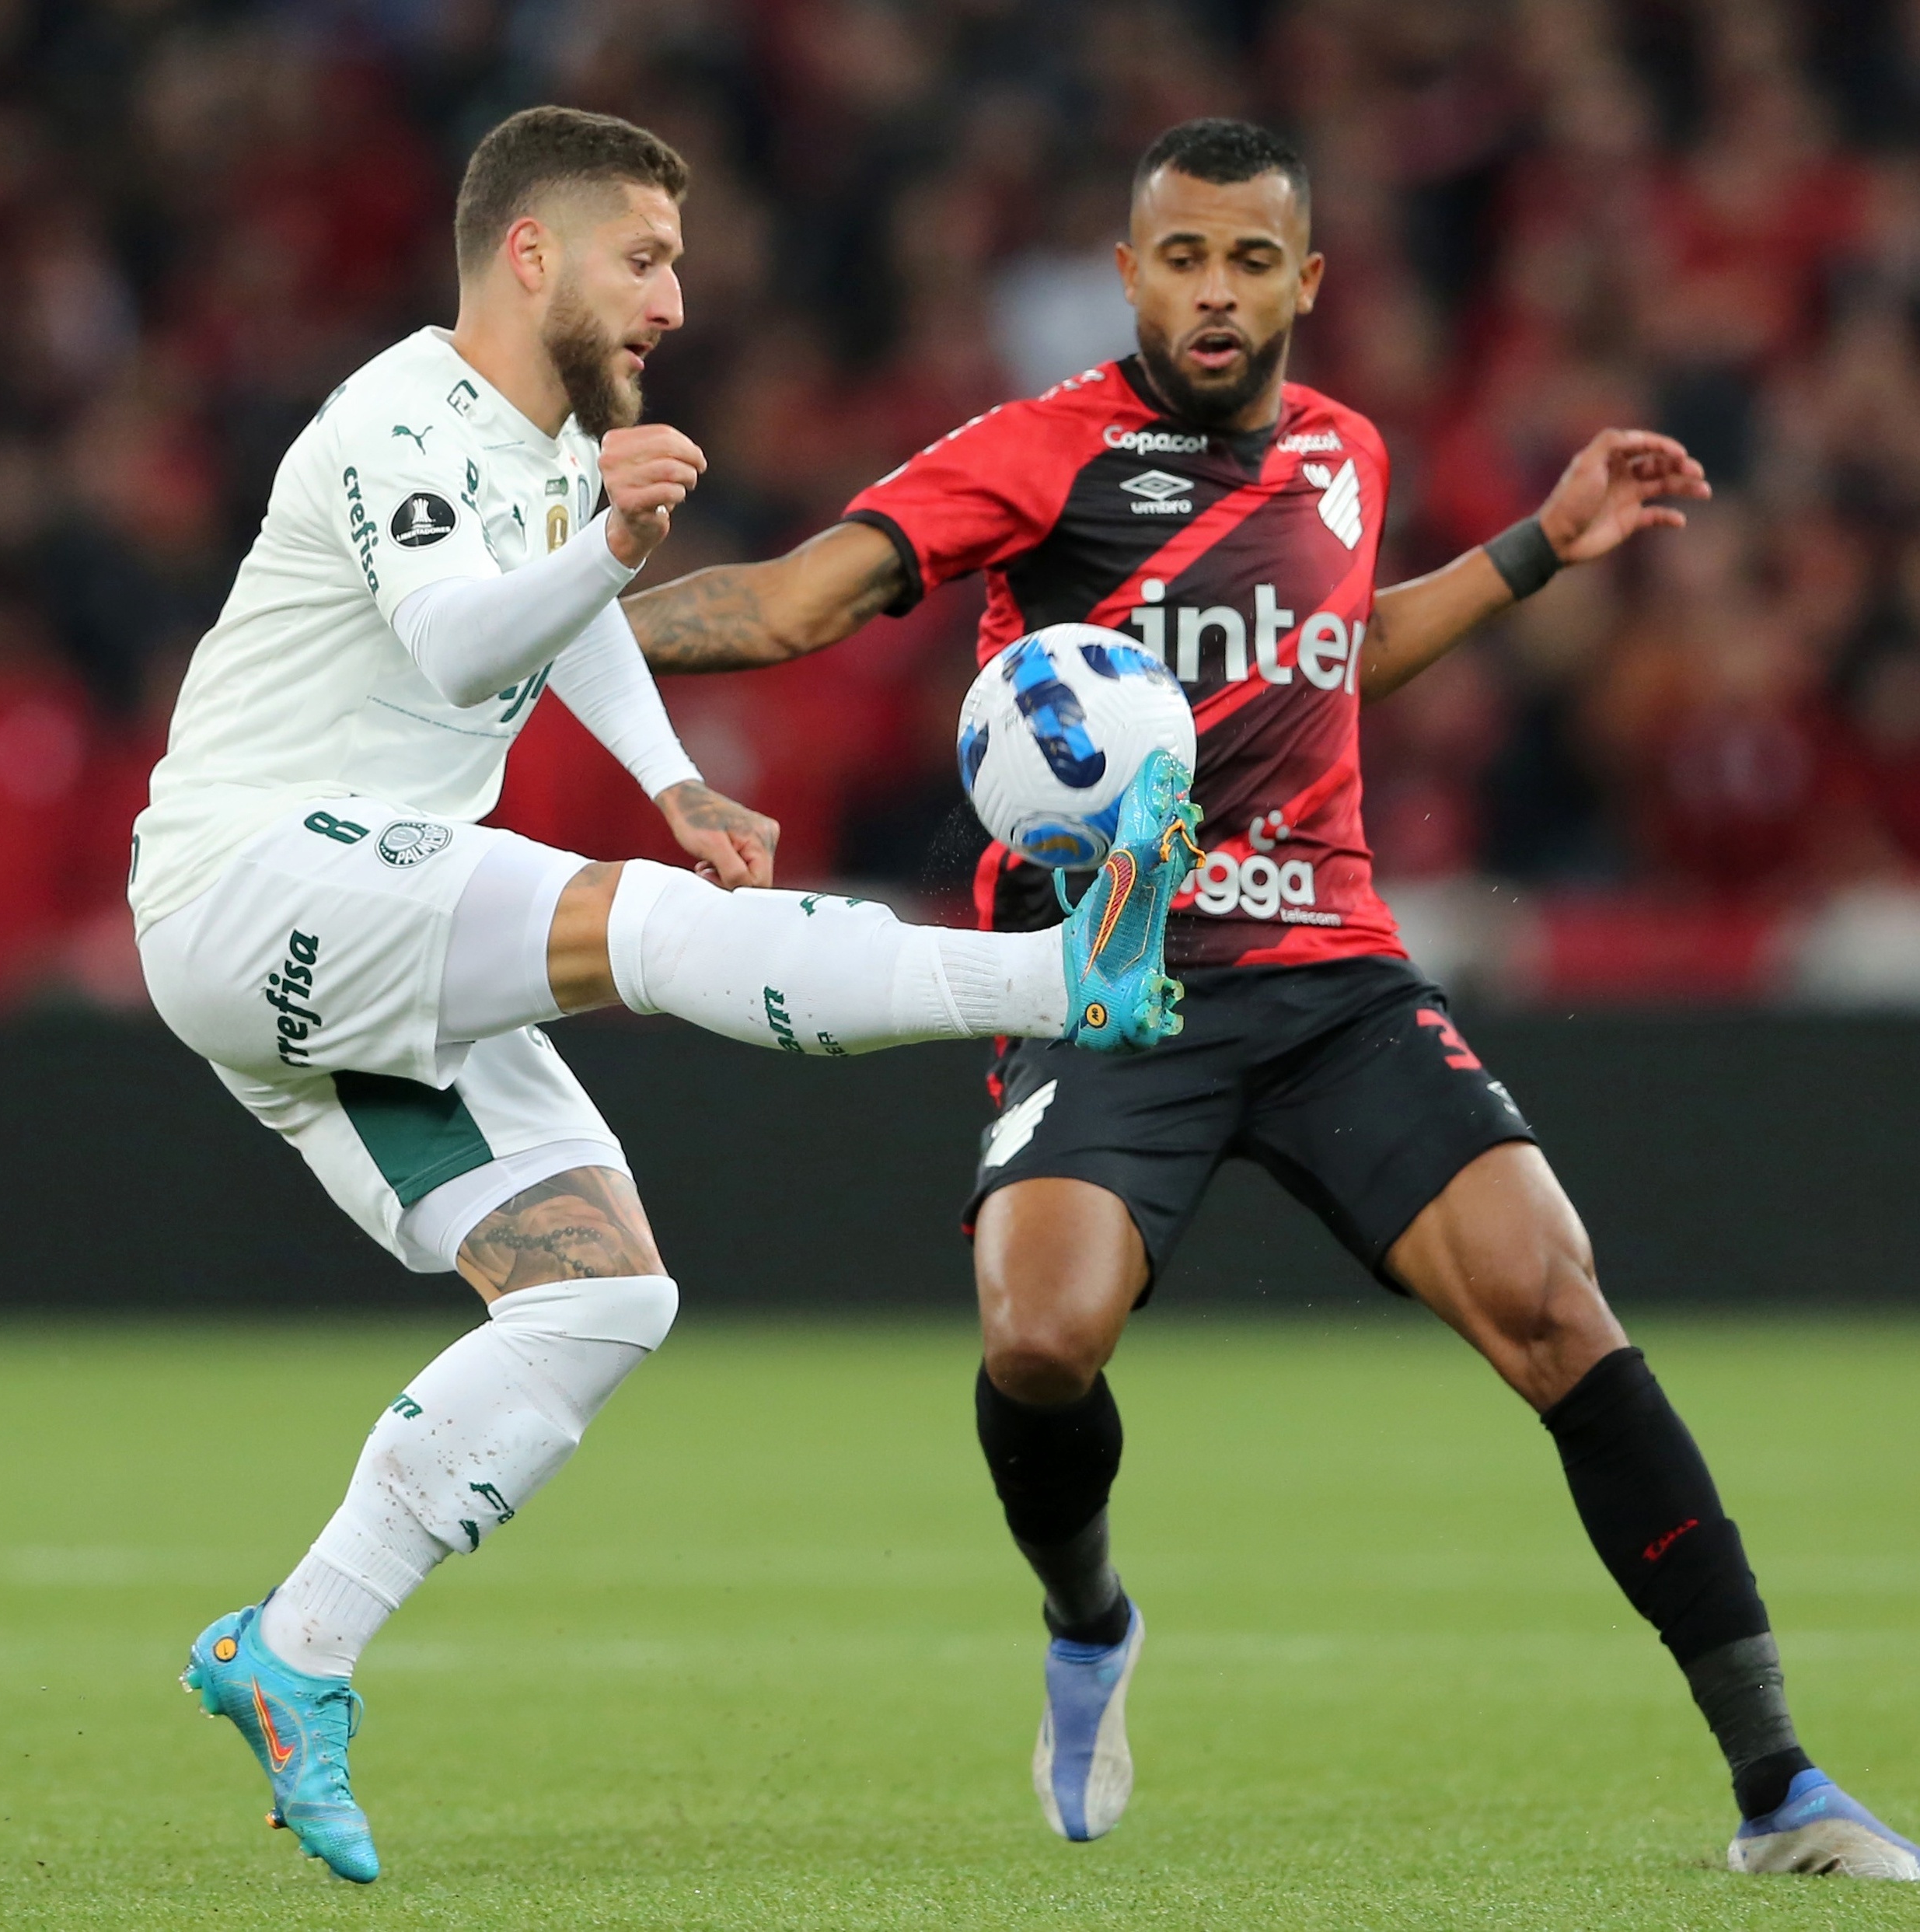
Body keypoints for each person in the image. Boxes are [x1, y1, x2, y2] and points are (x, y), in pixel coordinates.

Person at [621, 117, 1918, 1880]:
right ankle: (1088, 1623)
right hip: (1102, 981)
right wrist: (551, 625)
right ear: (1128, 272)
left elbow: (1337, 650)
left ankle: (1780, 1788)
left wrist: (1536, 544)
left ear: (1304, 279)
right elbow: (783, 610)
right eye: (1181, 257)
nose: (1214, 291)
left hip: (1323, 971)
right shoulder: (1040, 453)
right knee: (1036, 1337)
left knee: (1553, 1301)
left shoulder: (1343, 452)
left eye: (1249, 259)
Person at [131, 105, 1196, 1887]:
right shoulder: (403, 413)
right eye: (644, 256)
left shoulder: (552, 443)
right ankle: (1056, 973)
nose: (674, 300)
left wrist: (671, 774)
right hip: (253, 875)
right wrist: (611, 544)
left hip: (340, 927)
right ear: (528, 252)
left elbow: (563, 625)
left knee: (603, 1296)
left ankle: (292, 1650)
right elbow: (466, 637)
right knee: (635, 934)